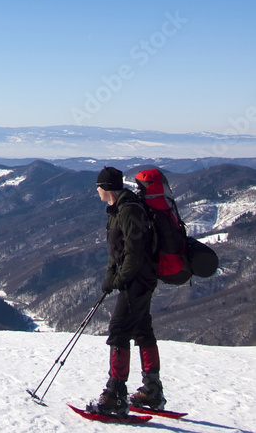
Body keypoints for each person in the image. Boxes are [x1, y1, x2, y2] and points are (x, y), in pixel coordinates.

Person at [88, 166, 164, 417]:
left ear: (107, 187)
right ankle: (151, 390)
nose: (97, 190)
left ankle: (116, 395)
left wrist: (119, 280)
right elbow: (117, 249)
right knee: (142, 330)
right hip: (136, 278)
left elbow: (135, 251)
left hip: (138, 280)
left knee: (119, 330)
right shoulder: (117, 209)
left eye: (98, 186)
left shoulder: (128, 209)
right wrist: (111, 276)